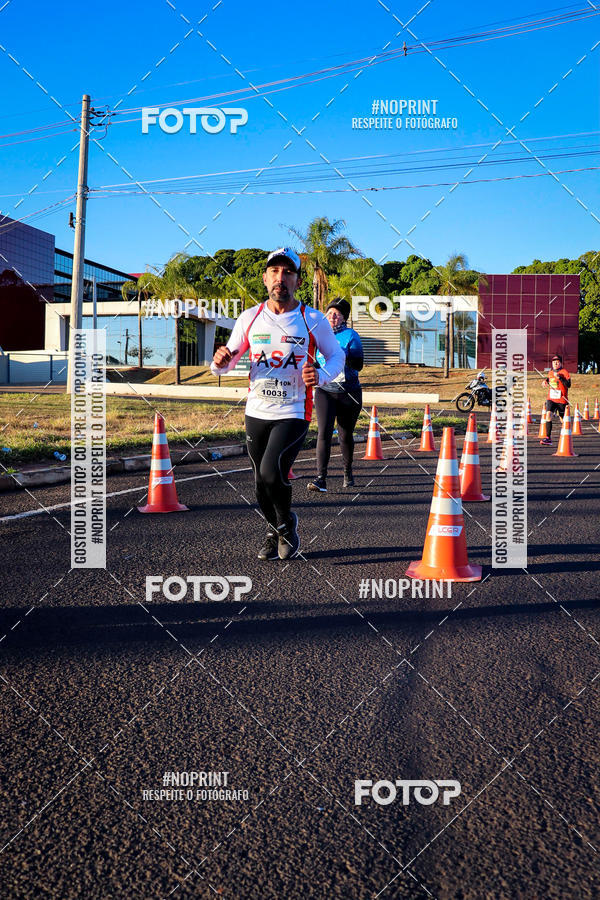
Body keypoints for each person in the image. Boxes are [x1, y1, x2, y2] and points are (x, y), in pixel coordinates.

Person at [211, 247, 345, 560]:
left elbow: (336, 355)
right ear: (265, 278)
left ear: (298, 281)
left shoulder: (312, 319)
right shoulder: (250, 317)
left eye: (287, 272)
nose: (280, 278)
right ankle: (276, 529)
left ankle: (285, 525)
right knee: (260, 481)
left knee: (272, 472)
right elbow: (227, 362)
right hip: (256, 410)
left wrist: (321, 374)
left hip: (295, 410)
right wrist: (220, 361)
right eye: (274, 272)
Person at [307, 297, 364, 491]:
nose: (332, 316)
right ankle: (320, 478)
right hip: (325, 391)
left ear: (343, 318)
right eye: (330, 312)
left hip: (349, 393)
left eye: (337, 314)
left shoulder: (351, 336)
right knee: (323, 433)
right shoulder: (318, 335)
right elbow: (313, 361)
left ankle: (347, 472)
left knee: (345, 435)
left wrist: (340, 356)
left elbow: (359, 365)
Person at [540, 353, 571, 445]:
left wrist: (560, 378)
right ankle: (548, 438)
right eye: (554, 362)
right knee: (548, 415)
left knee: (563, 420)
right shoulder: (550, 372)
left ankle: (566, 438)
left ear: (561, 363)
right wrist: (545, 382)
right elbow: (549, 379)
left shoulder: (565, 372)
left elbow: (568, 385)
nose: (555, 364)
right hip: (551, 398)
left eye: (557, 362)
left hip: (561, 399)